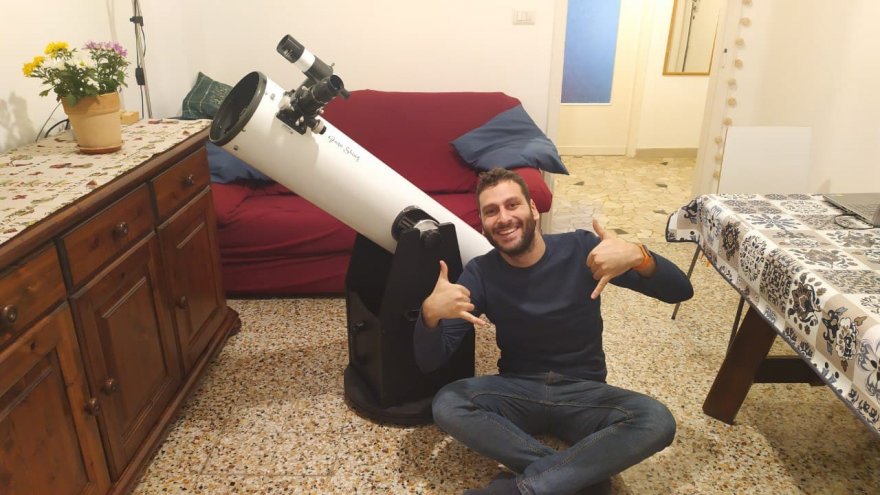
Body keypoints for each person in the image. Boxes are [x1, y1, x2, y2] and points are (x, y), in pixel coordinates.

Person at [413, 168, 694, 495]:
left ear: (533, 209)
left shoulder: (582, 249)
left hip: (585, 393)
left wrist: (640, 255)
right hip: (518, 391)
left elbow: (680, 291)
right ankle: (580, 480)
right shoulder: (481, 272)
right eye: (491, 211)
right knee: (448, 403)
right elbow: (430, 361)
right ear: (483, 223)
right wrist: (429, 314)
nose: (503, 218)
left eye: (512, 205)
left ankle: (524, 488)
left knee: (656, 419)